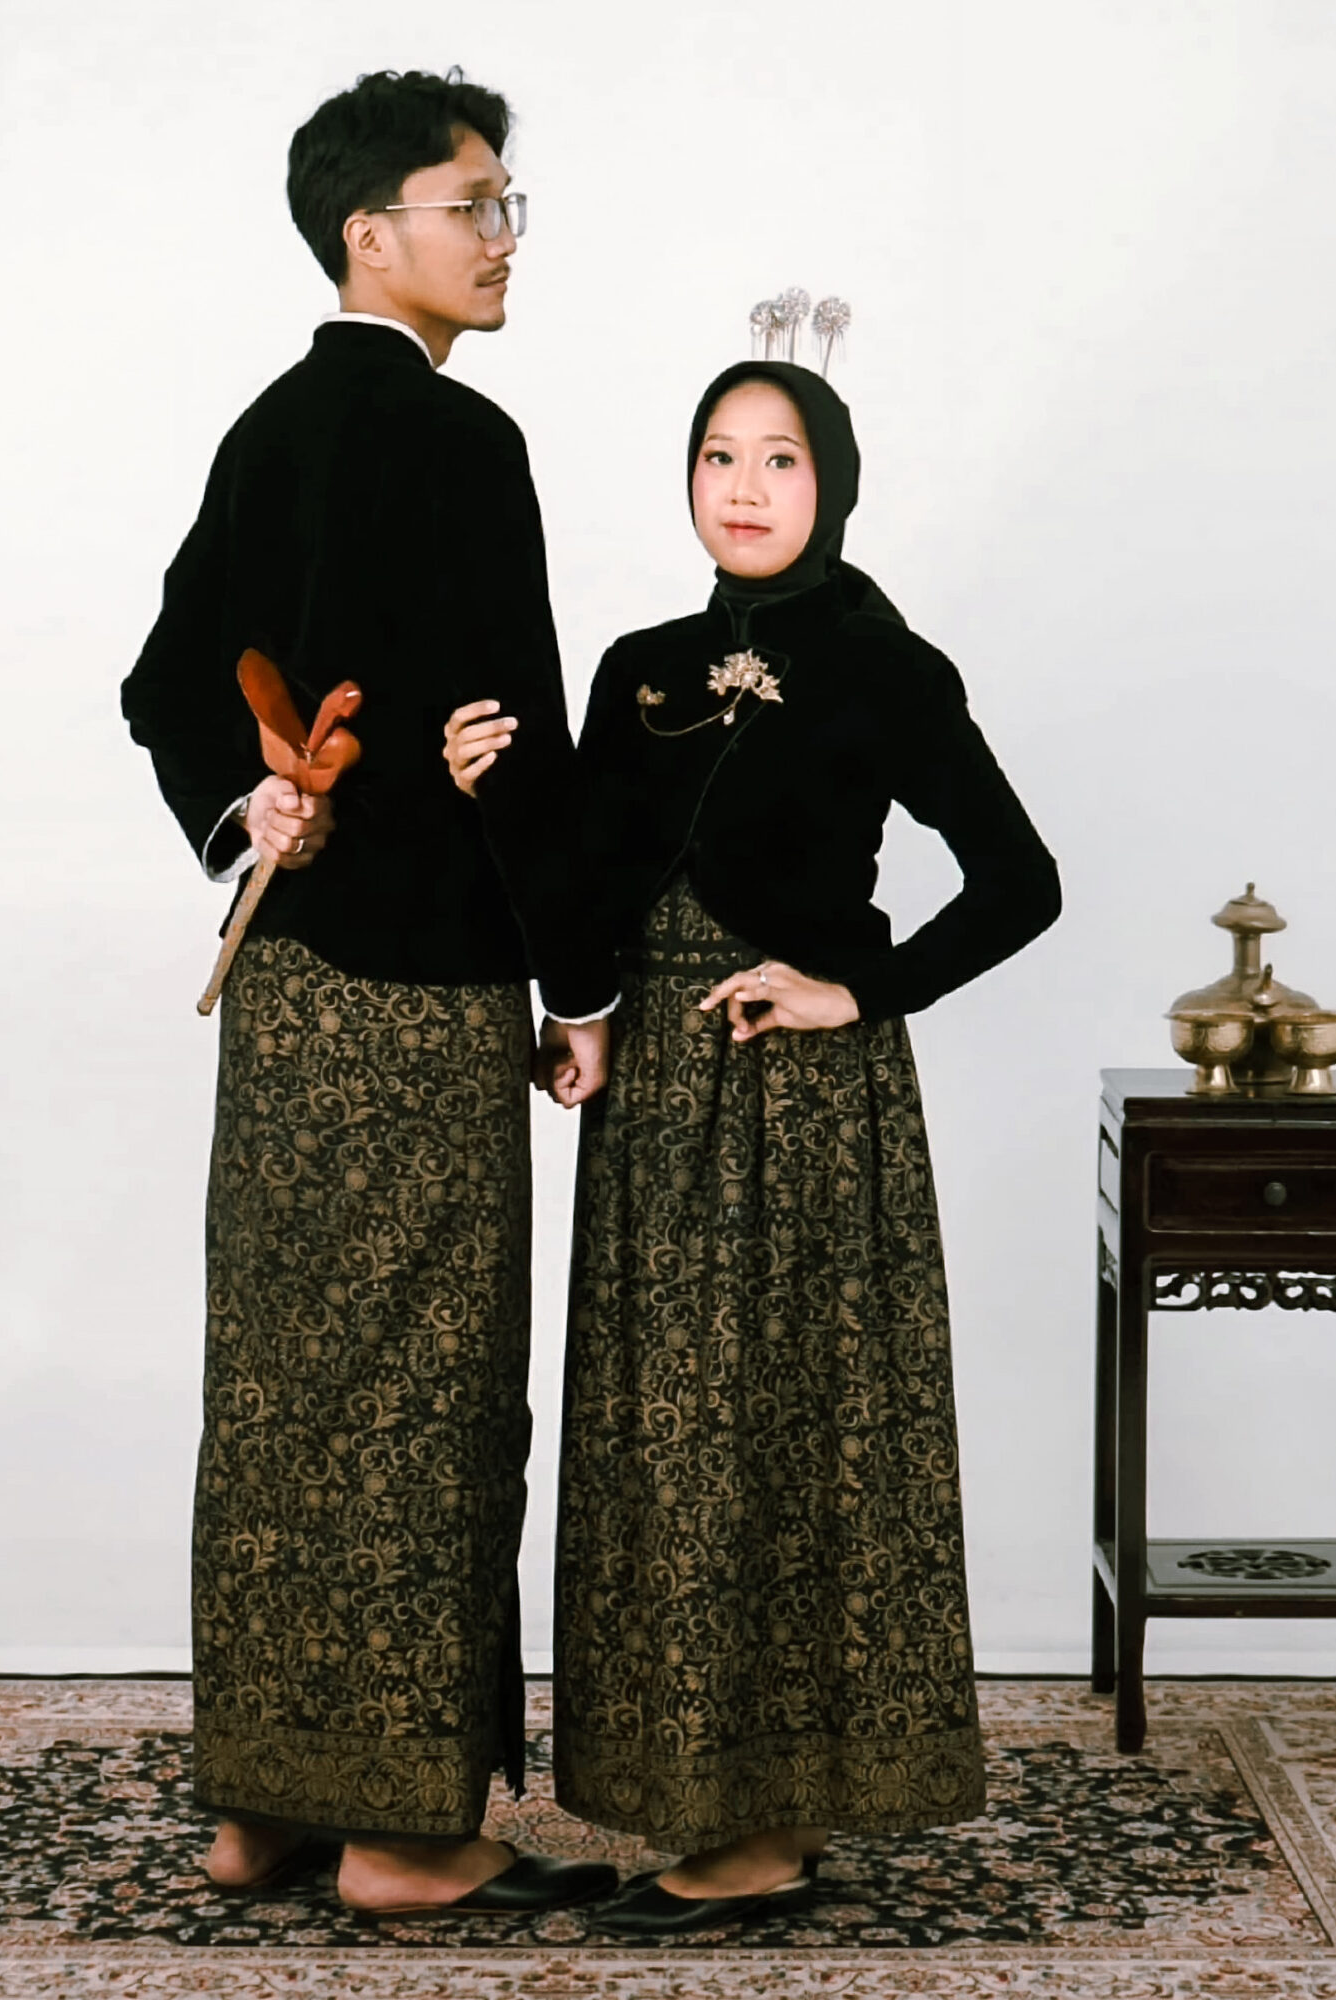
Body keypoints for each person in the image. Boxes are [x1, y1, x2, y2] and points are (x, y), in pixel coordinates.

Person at [444, 357, 1061, 1935]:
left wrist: (860, 987)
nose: (744, 486)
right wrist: (515, 840)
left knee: (787, 1435)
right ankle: (694, 1797)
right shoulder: (641, 667)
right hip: (654, 1098)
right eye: (718, 455)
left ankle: (772, 1830)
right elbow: (589, 875)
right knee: (664, 1443)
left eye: (779, 458)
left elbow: (1019, 879)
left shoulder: (884, 666)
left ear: (831, 483)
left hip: (800, 1105)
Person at [121, 69, 618, 1920]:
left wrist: (242, 813)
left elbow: (165, 683)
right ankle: (407, 1837)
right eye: (473, 204)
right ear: (369, 232)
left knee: (280, 1388)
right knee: (427, 1396)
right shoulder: (463, 440)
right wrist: (582, 983)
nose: (502, 238)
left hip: (286, 999)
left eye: (504, 204)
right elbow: (513, 737)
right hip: (423, 999)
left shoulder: (267, 427)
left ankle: (261, 1811)